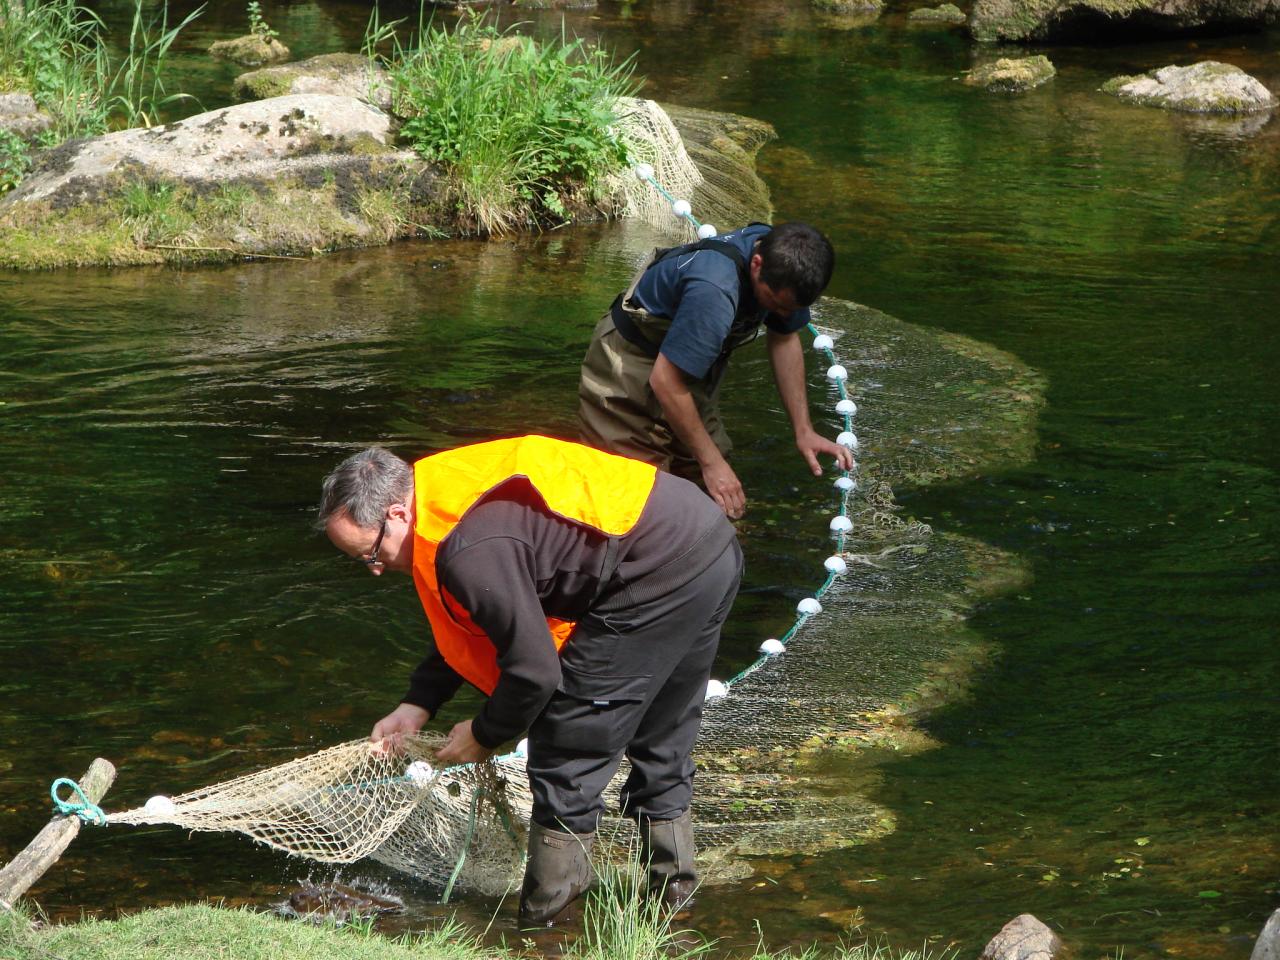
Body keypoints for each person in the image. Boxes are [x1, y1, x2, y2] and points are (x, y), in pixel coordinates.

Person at [317, 434, 742, 925]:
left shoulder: (468, 548)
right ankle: (675, 908)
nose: (375, 570)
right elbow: (476, 621)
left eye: (370, 554)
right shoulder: (443, 491)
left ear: (397, 514)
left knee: (567, 745)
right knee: (662, 735)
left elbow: (535, 672)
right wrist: (419, 703)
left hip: (656, 569)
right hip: (704, 536)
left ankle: (547, 925)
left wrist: (484, 735)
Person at [578, 221, 854, 520]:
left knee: (717, 502)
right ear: (757, 264)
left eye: (790, 308)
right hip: (627, 367)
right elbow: (666, 382)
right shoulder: (714, 290)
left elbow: (784, 336)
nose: (782, 314)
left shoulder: (787, 265)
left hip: (684, 371)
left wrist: (803, 430)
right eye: (774, 304)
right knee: (636, 502)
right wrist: (711, 465)